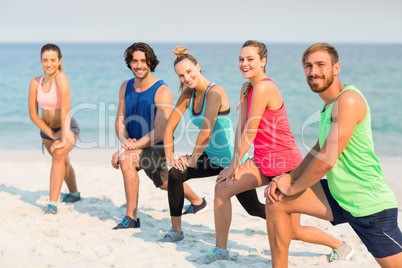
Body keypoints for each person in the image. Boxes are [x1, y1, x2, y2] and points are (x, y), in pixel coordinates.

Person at [201, 40, 347, 264]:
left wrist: (232, 166)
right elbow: (241, 127)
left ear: (263, 62)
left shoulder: (265, 87)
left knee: (292, 231)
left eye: (250, 59)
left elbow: (250, 132)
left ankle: (340, 245)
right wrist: (236, 164)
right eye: (241, 59)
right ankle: (220, 250)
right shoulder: (246, 88)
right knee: (222, 188)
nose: (244, 63)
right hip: (261, 162)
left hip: (287, 167)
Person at [265, 42, 402, 268]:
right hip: (340, 196)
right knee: (277, 201)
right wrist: (289, 177)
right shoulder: (329, 106)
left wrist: (293, 187)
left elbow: (327, 161)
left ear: (336, 68)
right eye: (308, 66)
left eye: (320, 65)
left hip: (369, 206)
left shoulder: (348, 100)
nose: (313, 71)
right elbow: (319, 148)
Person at [158, 46, 265, 243]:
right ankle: (176, 231)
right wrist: (171, 159)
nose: (186, 78)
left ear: (198, 67)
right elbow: (168, 128)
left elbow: (206, 133)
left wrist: (190, 160)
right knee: (175, 174)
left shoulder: (215, 93)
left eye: (189, 72)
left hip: (231, 161)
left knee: (254, 209)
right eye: (181, 76)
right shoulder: (188, 95)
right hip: (209, 157)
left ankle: (284, 217)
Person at [111, 42, 195, 230]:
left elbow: (159, 131)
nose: (139, 65)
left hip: (158, 146)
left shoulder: (162, 91)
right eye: (134, 61)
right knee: (165, 183)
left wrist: (127, 148)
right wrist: (125, 140)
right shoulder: (125, 86)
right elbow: (120, 121)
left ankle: (131, 218)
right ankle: (198, 201)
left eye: (143, 61)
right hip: (137, 145)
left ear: (151, 62)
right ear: (129, 63)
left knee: (126, 160)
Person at [28, 43, 81, 215]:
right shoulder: (35, 83)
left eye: (52, 60)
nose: (48, 64)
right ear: (41, 61)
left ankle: (52, 205)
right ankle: (74, 194)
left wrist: (63, 138)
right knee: (63, 161)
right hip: (47, 130)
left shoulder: (61, 77)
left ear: (59, 61)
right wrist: (52, 134)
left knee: (59, 154)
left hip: (67, 127)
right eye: (45, 60)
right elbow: (34, 115)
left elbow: (66, 108)